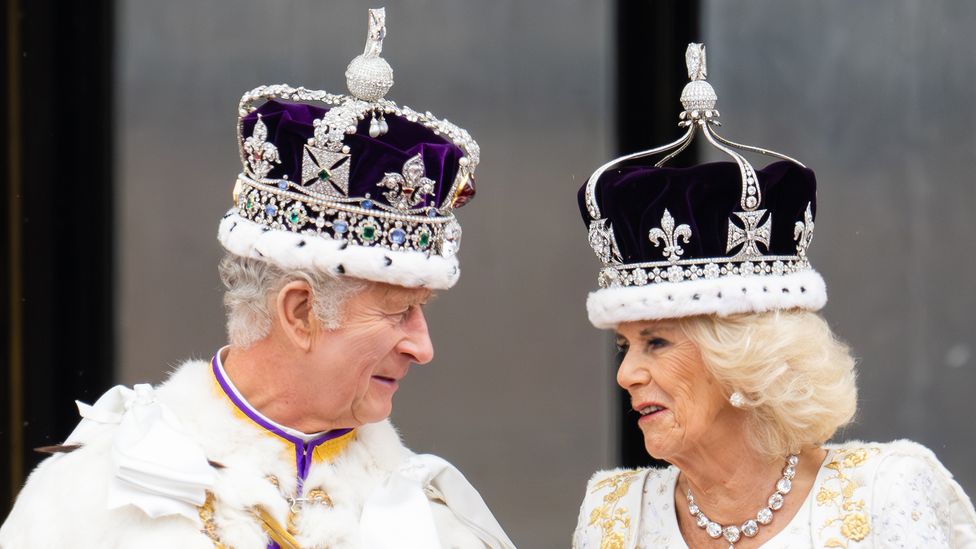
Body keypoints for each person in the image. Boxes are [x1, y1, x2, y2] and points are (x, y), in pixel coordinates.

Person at [0, 9, 512, 549]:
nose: (422, 346)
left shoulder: (433, 517)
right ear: (299, 313)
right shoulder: (96, 491)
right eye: (397, 311)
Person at [572, 44, 976, 548]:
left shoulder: (883, 494)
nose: (625, 373)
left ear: (745, 358)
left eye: (656, 342)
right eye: (624, 345)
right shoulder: (613, 516)